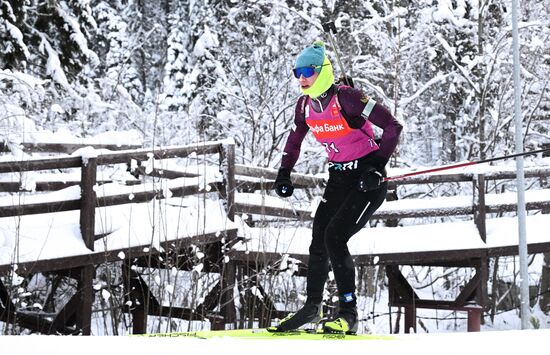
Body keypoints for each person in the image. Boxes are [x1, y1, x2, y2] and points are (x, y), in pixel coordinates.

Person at [268, 40, 402, 334]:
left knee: (335, 236)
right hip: (339, 178)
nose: (301, 77)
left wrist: (378, 167)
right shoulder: (304, 106)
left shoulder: (349, 98)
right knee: (318, 240)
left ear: (323, 71)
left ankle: (348, 314)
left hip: (367, 180)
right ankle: (311, 308)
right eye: (297, 72)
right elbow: (293, 141)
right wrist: (284, 173)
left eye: (308, 71)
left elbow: (393, 126)